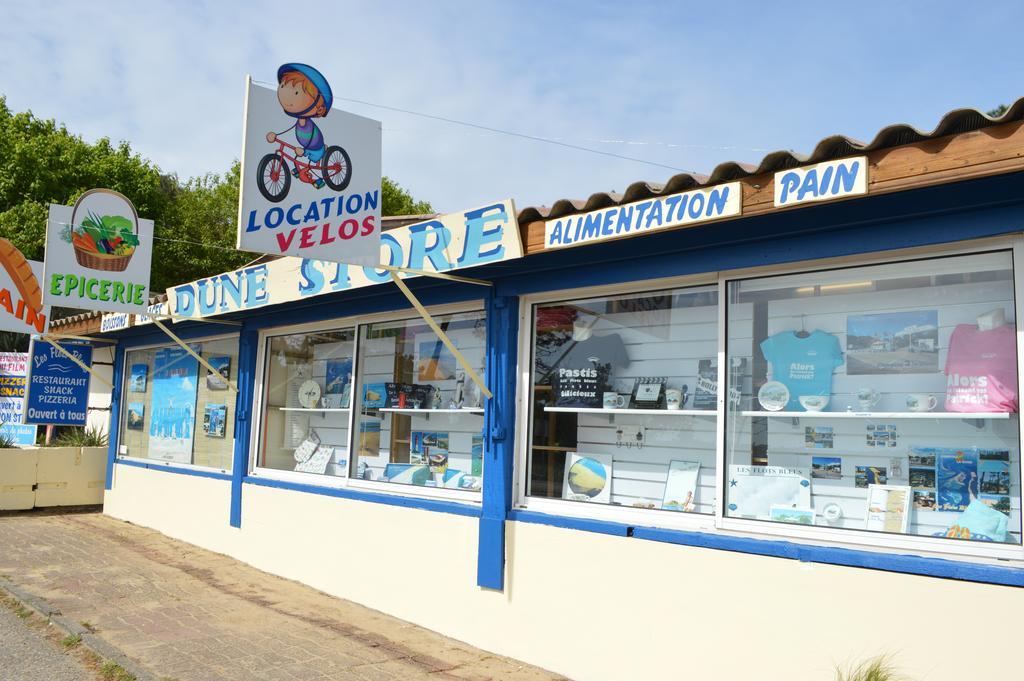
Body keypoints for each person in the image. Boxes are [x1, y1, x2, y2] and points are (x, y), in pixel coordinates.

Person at [266, 63, 334, 188]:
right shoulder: (299, 121)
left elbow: (315, 138)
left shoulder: (310, 125)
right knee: (296, 156)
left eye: (296, 92)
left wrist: (305, 149)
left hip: (315, 150)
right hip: (305, 148)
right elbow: (290, 129)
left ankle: (318, 179)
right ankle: (300, 170)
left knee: (307, 163)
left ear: (319, 109)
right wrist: (276, 135)